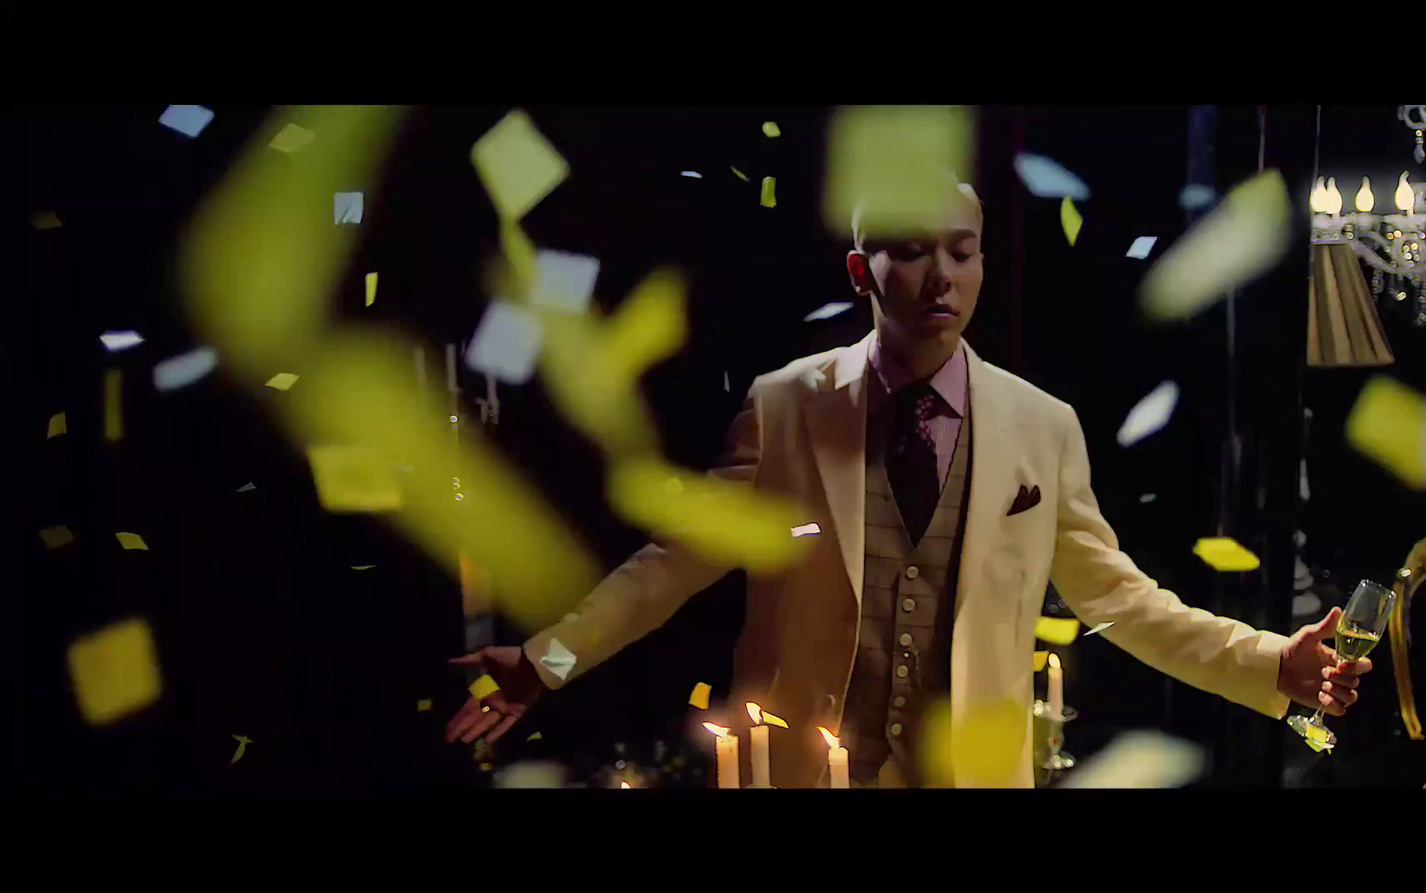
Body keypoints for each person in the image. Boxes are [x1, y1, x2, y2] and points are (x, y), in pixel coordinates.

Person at [445, 179, 1370, 788]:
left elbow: (1119, 601)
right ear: (862, 271)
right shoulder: (785, 407)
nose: (943, 274)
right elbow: (670, 566)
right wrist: (544, 661)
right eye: (912, 249)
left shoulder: (1042, 427)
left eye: (962, 249)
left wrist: (1267, 662)